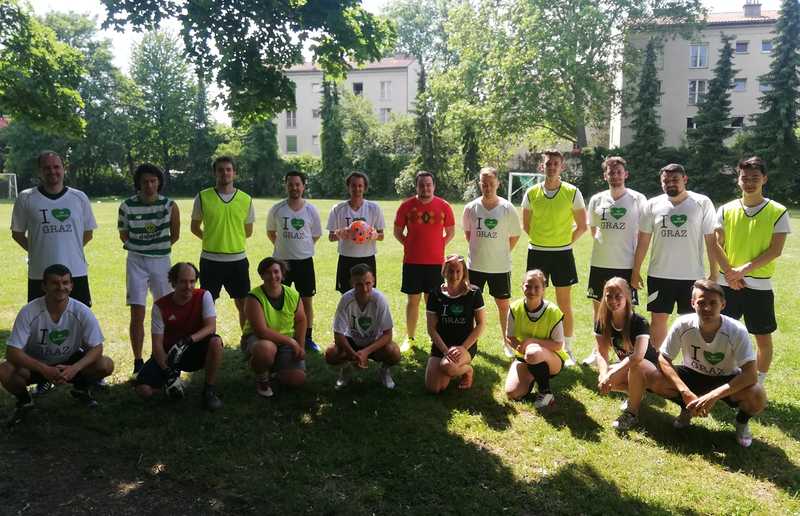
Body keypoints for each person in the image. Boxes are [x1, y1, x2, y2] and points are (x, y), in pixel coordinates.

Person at [622, 280, 766, 448]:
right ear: (692, 303)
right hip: (691, 374)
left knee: (757, 394)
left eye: (713, 303)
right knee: (647, 371)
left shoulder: (736, 330)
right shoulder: (683, 324)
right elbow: (663, 358)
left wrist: (714, 395)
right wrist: (684, 391)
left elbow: (750, 374)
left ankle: (742, 423)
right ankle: (686, 408)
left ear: (723, 304)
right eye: (701, 302)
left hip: (725, 378)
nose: (707, 308)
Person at [0, 264, 114, 425]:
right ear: (44, 286)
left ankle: (81, 388)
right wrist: (44, 369)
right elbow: (12, 351)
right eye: (54, 283)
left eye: (65, 282)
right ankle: (24, 401)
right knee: (4, 370)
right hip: (36, 362)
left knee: (106, 364)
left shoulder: (82, 311)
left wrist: (75, 368)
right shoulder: (29, 311)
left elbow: (97, 348)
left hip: (69, 361)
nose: (61, 287)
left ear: (71, 285)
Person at [712, 157, 789, 385]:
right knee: (722, 335)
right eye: (744, 178)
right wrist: (730, 273)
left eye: (755, 178)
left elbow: (775, 250)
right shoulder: (726, 209)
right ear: (738, 180)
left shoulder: (778, 211)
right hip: (728, 283)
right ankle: (722, 377)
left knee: (762, 338)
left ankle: (757, 383)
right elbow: (715, 244)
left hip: (759, 284)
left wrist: (742, 270)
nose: (749, 183)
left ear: (764, 179)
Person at [631, 163, 717, 349]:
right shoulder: (652, 204)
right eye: (666, 180)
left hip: (692, 276)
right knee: (658, 320)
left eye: (675, 179)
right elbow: (643, 241)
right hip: (659, 275)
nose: (670, 183)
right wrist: (635, 270)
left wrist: (714, 272)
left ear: (685, 179)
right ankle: (657, 360)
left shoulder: (702, 202)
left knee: (692, 321)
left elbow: (711, 240)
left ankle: (691, 361)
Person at [521, 150, 587, 366]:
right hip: (537, 252)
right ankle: (534, 344)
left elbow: (582, 226)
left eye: (555, 164)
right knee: (534, 300)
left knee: (564, 302)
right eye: (548, 163)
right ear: (542, 166)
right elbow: (526, 225)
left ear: (562, 167)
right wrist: (543, 241)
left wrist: (564, 242)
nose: (551, 167)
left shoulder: (572, 192)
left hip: (562, 254)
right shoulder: (531, 192)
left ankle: (567, 349)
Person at [582, 157, 647, 366]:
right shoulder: (597, 199)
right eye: (611, 172)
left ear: (625, 174)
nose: (615, 175)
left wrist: (636, 268)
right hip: (600, 263)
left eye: (619, 172)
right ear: (605, 175)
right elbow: (594, 230)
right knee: (599, 308)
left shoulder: (638, 199)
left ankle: (628, 350)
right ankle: (598, 351)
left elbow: (643, 233)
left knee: (626, 310)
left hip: (626, 264)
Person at [11, 151, 97, 306]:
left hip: (75, 271)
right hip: (40, 273)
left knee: (78, 318)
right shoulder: (26, 197)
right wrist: (37, 249)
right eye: (47, 168)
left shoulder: (79, 197)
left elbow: (88, 233)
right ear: (39, 171)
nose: (52, 171)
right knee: (40, 318)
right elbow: (17, 233)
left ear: (64, 169)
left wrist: (69, 249)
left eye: (56, 167)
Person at [118, 163, 180, 377]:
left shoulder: (170, 205)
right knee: (137, 311)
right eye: (145, 181)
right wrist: (142, 247)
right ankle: (138, 360)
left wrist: (156, 247)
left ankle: (163, 355)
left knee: (164, 310)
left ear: (159, 182)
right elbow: (124, 234)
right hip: (136, 261)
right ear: (138, 183)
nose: (149, 185)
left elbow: (175, 235)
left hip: (161, 261)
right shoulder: (126, 206)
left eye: (153, 181)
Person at [134, 262, 223, 411]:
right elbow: (157, 345)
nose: (188, 286)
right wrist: (167, 371)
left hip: (194, 350)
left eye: (192, 281)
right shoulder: (160, 306)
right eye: (183, 281)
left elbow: (211, 327)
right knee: (143, 390)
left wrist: (188, 340)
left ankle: (209, 390)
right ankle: (172, 385)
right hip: (169, 354)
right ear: (173, 282)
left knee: (215, 341)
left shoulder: (204, 296)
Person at [394, 171, 455, 352]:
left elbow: (450, 232)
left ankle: (433, 337)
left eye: (428, 184)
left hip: (435, 263)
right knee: (412, 300)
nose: (425, 188)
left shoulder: (444, 206)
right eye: (421, 185)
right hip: (412, 262)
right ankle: (410, 337)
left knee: (432, 303)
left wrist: (439, 245)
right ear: (416, 186)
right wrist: (409, 244)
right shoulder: (406, 206)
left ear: (434, 186)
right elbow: (397, 232)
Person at [190, 156, 255, 329]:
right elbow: (194, 227)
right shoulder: (203, 197)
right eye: (220, 170)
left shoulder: (246, 199)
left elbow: (248, 231)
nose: (225, 173)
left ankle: (247, 339)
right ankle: (208, 339)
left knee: (244, 304)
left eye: (228, 169)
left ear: (234, 173)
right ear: (215, 173)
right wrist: (212, 239)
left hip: (237, 260)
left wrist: (230, 239)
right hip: (210, 260)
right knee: (207, 304)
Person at [462, 167, 520, 358]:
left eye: (491, 184)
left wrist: (501, 253)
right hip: (475, 266)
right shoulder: (470, 208)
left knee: (503, 306)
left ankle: (507, 343)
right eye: (484, 184)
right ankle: (469, 342)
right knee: (470, 305)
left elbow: (514, 235)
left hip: (500, 267)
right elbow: (469, 235)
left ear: (498, 184)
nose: (487, 187)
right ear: (480, 184)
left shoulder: (507, 208)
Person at [592, 277, 658, 430]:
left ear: (627, 297)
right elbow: (601, 351)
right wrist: (603, 374)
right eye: (609, 296)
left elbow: (638, 357)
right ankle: (635, 394)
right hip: (630, 367)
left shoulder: (639, 322)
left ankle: (631, 413)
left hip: (651, 370)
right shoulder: (602, 321)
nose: (613, 300)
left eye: (618, 296)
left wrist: (610, 373)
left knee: (634, 366)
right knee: (607, 379)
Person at [267, 170, 323, 352]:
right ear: (286, 186)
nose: (294, 187)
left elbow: (315, 235)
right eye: (290, 184)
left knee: (306, 301)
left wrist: (302, 247)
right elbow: (271, 232)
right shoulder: (277, 209)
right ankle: (279, 335)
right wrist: (283, 247)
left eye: (297, 184)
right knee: (278, 299)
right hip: (281, 263)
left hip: (304, 262)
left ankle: (307, 337)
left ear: (303, 186)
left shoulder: (311, 210)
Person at [325, 263, 401, 390]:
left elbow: (388, 335)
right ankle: (346, 369)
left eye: (368, 283)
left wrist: (366, 352)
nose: (364, 289)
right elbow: (338, 334)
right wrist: (353, 354)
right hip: (352, 341)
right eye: (359, 284)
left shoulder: (380, 300)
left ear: (374, 281)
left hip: (374, 342)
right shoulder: (346, 300)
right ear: (352, 284)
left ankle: (384, 371)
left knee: (394, 353)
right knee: (331, 353)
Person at [241, 257, 307, 397]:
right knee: (265, 350)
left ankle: (273, 371)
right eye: (267, 272)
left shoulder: (293, 294)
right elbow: (261, 331)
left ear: (282, 274)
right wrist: (292, 342)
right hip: (259, 339)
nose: (272, 276)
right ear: (261, 276)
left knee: (297, 379)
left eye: (276, 272)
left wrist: (300, 346)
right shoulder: (253, 297)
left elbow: (301, 320)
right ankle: (262, 378)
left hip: (285, 341)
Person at [505, 269, 568, 408]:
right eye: (528, 286)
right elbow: (509, 336)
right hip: (525, 356)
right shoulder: (515, 308)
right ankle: (533, 374)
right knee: (512, 393)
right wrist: (517, 345)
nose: (532, 291)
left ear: (543, 289)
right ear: (522, 286)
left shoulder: (553, 311)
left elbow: (558, 344)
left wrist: (532, 342)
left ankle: (546, 392)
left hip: (552, 359)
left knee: (533, 351)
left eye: (536, 287)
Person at [425, 255, 486, 393]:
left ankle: (467, 370)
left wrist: (463, 348)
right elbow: (431, 329)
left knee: (448, 367)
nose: (454, 275)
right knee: (434, 388)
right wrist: (445, 351)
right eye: (450, 271)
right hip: (442, 345)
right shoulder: (435, 294)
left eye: (458, 271)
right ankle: (452, 369)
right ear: (444, 271)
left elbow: (481, 324)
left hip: (464, 345)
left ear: (464, 272)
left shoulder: (473, 292)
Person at [327, 171, 386, 294]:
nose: (357, 189)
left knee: (368, 294)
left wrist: (374, 235)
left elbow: (381, 235)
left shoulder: (374, 208)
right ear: (348, 187)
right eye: (353, 185)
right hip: (346, 258)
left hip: (367, 258)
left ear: (364, 188)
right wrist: (340, 234)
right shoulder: (337, 209)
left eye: (360, 186)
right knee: (346, 295)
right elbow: (331, 237)